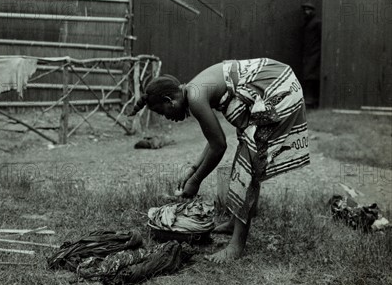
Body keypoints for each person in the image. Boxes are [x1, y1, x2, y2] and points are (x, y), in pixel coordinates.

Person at [129, 58, 310, 263]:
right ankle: (235, 222)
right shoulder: (194, 90)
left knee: (249, 157)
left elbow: (219, 146)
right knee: (247, 147)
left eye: (163, 113)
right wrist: (194, 168)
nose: (167, 118)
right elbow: (213, 137)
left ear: (170, 101)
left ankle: (237, 245)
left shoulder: (196, 96)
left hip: (277, 87)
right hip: (276, 78)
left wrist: (196, 180)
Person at [301, 3, 322, 108]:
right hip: (308, 54)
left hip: (315, 53)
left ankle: (311, 100)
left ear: (313, 11)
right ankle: (310, 100)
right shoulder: (307, 23)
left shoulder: (317, 23)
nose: (306, 12)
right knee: (308, 76)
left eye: (309, 10)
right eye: (305, 10)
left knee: (311, 76)